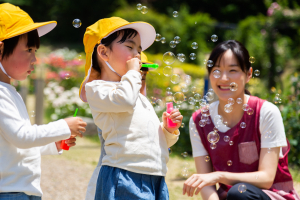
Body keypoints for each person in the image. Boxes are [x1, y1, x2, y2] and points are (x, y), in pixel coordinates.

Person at [79, 17, 182, 200]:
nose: (138, 56)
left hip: (155, 177)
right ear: (103, 52)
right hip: (124, 175)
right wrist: (133, 73)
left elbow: (156, 142)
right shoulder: (97, 89)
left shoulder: (138, 97)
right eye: (130, 47)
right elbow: (124, 100)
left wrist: (168, 130)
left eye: (139, 50)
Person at [183, 40, 300, 200]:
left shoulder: (265, 112)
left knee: (239, 192)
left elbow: (266, 179)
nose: (223, 78)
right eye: (216, 70)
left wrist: (218, 176)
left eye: (232, 70)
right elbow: (207, 185)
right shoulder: (199, 120)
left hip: (271, 195)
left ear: (248, 74)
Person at [0, 3, 87, 200]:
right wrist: (62, 126)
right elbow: (22, 137)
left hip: (22, 190)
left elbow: (17, 145)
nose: (34, 59)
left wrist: (53, 144)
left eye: (35, 51)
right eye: (29, 50)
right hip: (9, 193)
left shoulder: (9, 91)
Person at [84, 52, 152, 200]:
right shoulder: (112, 102)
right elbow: (124, 99)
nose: (137, 84)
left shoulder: (144, 109)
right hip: (116, 179)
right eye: (131, 79)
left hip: (145, 181)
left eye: (142, 79)